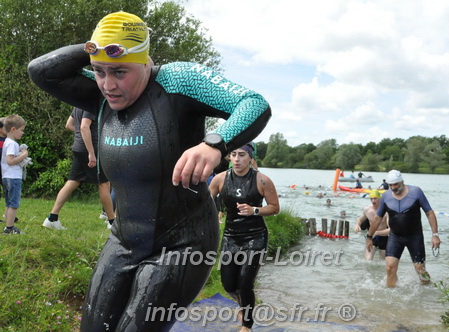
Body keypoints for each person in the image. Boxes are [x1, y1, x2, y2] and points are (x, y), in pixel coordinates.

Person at [28, 11, 271, 331]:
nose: (108, 85)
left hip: (184, 242)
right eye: (98, 71)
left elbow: (253, 104)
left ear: (146, 62)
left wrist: (215, 143)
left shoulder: (178, 80)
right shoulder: (97, 93)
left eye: (119, 72)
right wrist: (96, 48)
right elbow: (42, 70)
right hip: (125, 239)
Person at [209, 143, 279, 332]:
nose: (237, 159)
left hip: (255, 237)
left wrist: (254, 210)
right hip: (231, 236)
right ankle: (243, 304)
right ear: (229, 158)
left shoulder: (262, 180)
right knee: (229, 285)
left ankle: (246, 325)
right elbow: (205, 202)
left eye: (242, 155)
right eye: (234, 154)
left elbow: (274, 208)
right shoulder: (220, 179)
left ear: (250, 158)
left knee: (245, 283)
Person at [42, 108, 115, 230]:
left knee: (73, 181)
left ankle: (52, 218)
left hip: (78, 148)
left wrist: (83, 137)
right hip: (90, 150)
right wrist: (91, 152)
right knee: (104, 183)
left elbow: (69, 124)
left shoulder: (77, 105)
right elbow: (84, 127)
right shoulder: (90, 104)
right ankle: (112, 222)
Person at [366, 170, 441, 287]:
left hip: (414, 237)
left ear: (402, 182)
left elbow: (430, 213)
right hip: (395, 237)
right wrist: (369, 237)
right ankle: (390, 295)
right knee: (390, 267)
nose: (393, 187)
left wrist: (435, 235)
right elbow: (377, 218)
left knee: (420, 269)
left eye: (395, 184)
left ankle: (427, 290)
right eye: (390, 185)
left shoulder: (416, 192)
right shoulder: (386, 196)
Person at [1, 115, 28, 234]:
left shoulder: (6, 142)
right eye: (21, 130)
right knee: (13, 204)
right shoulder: (12, 144)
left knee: (9, 201)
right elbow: (10, 161)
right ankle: (9, 228)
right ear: (13, 129)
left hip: (6, 176)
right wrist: (24, 155)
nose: (22, 133)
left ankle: (8, 223)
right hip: (13, 177)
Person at [354, 190, 389, 260]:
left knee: (384, 261)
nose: (373, 201)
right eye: (371, 199)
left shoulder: (386, 211)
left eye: (375, 198)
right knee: (368, 260)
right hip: (371, 237)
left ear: (380, 199)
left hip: (383, 237)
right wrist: (357, 225)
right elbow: (360, 219)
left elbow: (391, 229)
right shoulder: (367, 210)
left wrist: (378, 233)